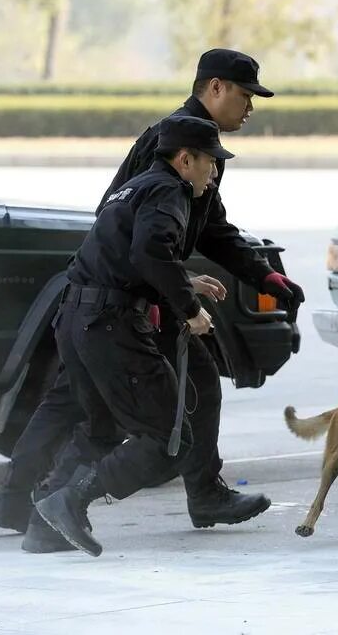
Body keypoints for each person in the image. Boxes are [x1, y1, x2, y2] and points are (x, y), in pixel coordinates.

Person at [0, 49, 303, 551]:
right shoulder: (179, 139)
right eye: (246, 96)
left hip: (112, 295)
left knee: (83, 407)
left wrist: (263, 275)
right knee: (172, 408)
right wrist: (171, 295)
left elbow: (207, 228)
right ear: (216, 87)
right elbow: (143, 234)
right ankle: (180, 494)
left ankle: (25, 505)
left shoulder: (194, 142)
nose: (251, 108)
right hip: (124, 300)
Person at [33, 116, 234, 557]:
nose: (214, 173)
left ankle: (43, 528)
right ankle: (70, 501)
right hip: (112, 323)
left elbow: (129, 253)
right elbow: (150, 252)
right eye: (210, 163)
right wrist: (191, 310)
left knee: (98, 429)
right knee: (168, 438)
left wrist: (182, 279)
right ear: (186, 160)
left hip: (75, 316)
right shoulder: (171, 190)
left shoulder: (137, 185)